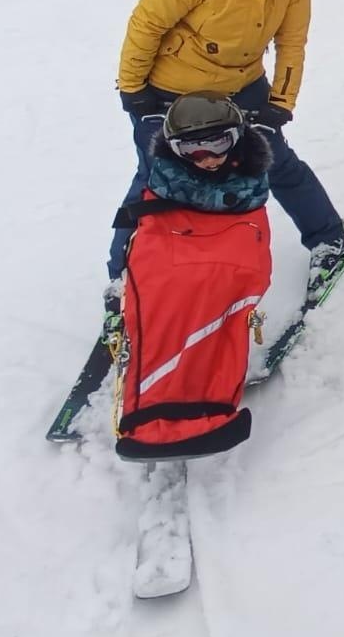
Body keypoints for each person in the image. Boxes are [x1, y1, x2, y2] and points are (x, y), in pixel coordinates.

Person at [111, 0, 344, 305]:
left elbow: (292, 40)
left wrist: (280, 102)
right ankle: (125, 276)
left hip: (242, 89)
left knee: (276, 162)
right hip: (173, 94)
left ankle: (330, 238)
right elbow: (146, 26)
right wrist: (134, 92)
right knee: (155, 180)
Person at [111, 93, 272, 459]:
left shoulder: (249, 171)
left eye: (219, 143)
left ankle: (210, 399)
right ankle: (152, 409)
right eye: (192, 150)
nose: (209, 158)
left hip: (232, 226)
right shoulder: (166, 176)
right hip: (175, 225)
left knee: (229, 285)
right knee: (166, 289)